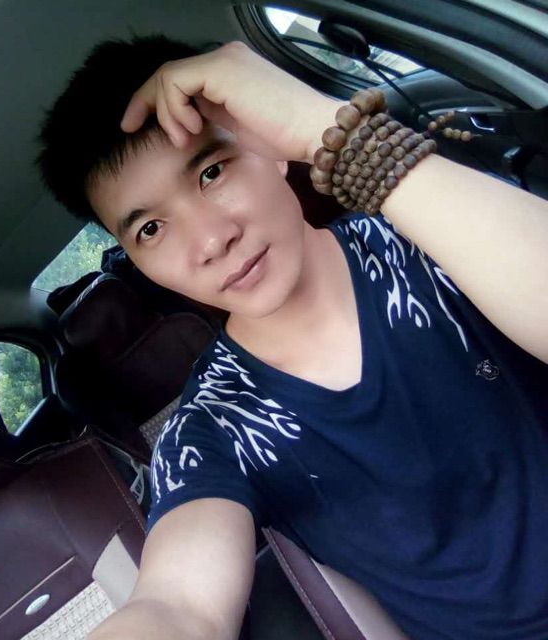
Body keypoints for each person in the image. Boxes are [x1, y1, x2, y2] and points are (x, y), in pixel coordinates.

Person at [37, 35, 548, 640]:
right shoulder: (212, 428)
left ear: (270, 147)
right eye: (150, 229)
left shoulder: (431, 232)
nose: (211, 241)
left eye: (212, 172)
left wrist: (324, 128)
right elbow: (177, 607)